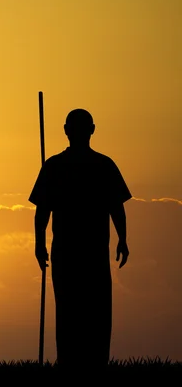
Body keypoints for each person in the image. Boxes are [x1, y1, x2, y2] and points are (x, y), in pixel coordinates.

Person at [29, 108, 132, 370]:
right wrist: (39, 243)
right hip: (76, 252)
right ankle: (78, 363)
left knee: (76, 310)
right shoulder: (94, 165)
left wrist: (122, 238)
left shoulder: (65, 166)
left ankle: (84, 363)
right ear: (91, 129)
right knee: (81, 310)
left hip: (85, 252)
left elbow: (115, 207)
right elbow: (43, 209)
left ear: (67, 130)